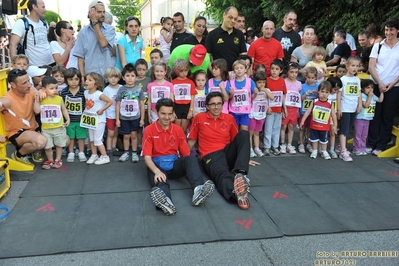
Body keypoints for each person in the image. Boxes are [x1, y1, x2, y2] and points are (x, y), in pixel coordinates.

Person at [143, 98, 215, 216]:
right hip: (157, 164)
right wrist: (156, 171)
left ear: (173, 114)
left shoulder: (178, 130)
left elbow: (185, 154)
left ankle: (198, 191)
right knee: (160, 182)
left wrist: (190, 168)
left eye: (169, 114)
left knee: (191, 158)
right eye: (163, 113)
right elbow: (147, 157)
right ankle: (166, 202)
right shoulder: (149, 130)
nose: (167, 117)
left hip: (174, 163)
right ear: (157, 113)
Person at [188, 91, 251, 210]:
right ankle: (236, 194)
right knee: (222, 173)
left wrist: (245, 158)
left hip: (226, 153)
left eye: (219, 104)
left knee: (244, 133)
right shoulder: (199, 118)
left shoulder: (229, 118)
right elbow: (191, 141)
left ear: (223, 105)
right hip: (210, 155)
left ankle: (241, 173)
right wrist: (184, 161)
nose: (216, 107)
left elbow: (237, 141)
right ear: (207, 106)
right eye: (213, 104)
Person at [0, 69, 47, 165]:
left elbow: (36, 91)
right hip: (17, 132)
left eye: (29, 81)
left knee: (64, 140)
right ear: (13, 85)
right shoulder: (7, 100)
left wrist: (41, 92)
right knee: (41, 142)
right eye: (24, 83)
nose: (29, 85)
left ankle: (30, 149)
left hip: (33, 128)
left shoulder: (30, 90)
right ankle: (19, 155)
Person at [367, 18, 399, 155]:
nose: (388, 32)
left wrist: (393, 83)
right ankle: (371, 142)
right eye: (386, 29)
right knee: (374, 115)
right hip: (376, 84)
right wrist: (379, 82)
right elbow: (371, 66)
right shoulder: (378, 46)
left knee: (387, 116)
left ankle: (382, 144)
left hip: (394, 86)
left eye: (391, 29)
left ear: (397, 30)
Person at [74, 1, 116, 77]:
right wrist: (82, 77)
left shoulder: (110, 29)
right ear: (91, 13)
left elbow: (103, 43)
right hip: (91, 77)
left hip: (107, 75)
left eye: (104, 12)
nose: (102, 15)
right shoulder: (83, 33)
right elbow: (80, 57)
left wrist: (94, 22)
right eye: (99, 12)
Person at [9, 0, 54, 66]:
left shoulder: (44, 22)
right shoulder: (21, 23)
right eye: (43, 7)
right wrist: (15, 65)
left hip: (51, 62)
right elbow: (13, 45)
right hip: (34, 67)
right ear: (34, 7)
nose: (45, 10)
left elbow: (48, 41)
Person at [300, 81, 337, 159]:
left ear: (329, 93)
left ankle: (324, 151)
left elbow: (333, 115)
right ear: (318, 92)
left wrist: (335, 125)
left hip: (324, 126)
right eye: (322, 91)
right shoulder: (314, 102)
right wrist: (303, 120)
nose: (324, 94)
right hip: (315, 125)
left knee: (324, 140)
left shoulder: (330, 103)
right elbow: (307, 111)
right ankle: (315, 150)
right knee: (314, 139)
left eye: (326, 92)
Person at [115, 64, 145, 163]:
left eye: (132, 76)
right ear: (123, 77)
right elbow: (118, 104)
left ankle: (134, 152)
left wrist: (141, 119)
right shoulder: (121, 89)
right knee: (126, 136)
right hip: (124, 117)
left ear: (136, 77)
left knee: (134, 135)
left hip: (135, 117)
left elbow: (141, 105)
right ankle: (126, 152)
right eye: (127, 76)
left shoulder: (138, 90)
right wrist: (117, 119)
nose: (130, 78)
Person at [39, 76, 70, 169]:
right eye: (51, 88)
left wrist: (67, 119)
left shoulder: (59, 99)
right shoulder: (41, 99)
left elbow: (64, 109)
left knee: (59, 145)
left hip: (58, 127)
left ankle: (58, 159)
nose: (55, 90)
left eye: (56, 88)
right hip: (46, 128)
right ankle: (50, 160)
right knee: (47, 146)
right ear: (44, 89)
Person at [83, 72, 113, 165]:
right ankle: (94, 154)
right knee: (92, 139)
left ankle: (105, 156)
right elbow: (87, 104)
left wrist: (102, 109)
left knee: (97, 140)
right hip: (89, 119)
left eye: (90, 80)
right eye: (86, 79)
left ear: (96, 84)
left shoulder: (99, 94)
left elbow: (110, 101)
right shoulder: (85, 92)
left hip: (99, 120)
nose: (86, 81)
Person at [205, 6, 247, 71]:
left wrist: (238, 72)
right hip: (218, 76)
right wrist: (214, 72)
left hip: (235, 76)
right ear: (224, 15)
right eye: (230, 17)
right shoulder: (212, 35)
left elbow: (243, 56)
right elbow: (208, 57)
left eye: (235, 19)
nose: (232, 21)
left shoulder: (240, 35)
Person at [337, 56, 362, 161]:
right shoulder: (343, 79)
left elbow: (359, 93)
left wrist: (360, 104)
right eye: (352, 65)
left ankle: (340, 146)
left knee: (349, 128)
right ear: (347, 66)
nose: (355, 68)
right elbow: (339, 95)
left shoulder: (357, 79)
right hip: (345, 108)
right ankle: (343, 150)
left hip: (353, 108)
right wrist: (339, 108)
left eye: (357, 66)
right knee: (344, 130)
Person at [60, 68, 87, 163]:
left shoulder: (84, 92)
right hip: (69, 119)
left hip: (81, 119)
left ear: (80, 80)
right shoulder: (64, 92)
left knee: (81, 137)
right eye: (71, 79)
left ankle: (81, 152)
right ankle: (71, 152)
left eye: (76, 79)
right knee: (70, 137)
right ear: (66, 80)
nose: (74, 82)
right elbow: (62, 106)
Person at [353, 79, 384, 155]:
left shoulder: (373, 96)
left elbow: (380, 100)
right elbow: (366, 105)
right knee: (358, 134)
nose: (370, 90)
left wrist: (382, 92)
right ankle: (356, 148)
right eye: (368, 88)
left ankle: (362, 148)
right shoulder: (363, 96)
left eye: (372, 87)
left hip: (368, 119)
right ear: (363, 89)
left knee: (364, 135)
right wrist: (370, 97)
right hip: (360, 118)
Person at [263, 59, 287, 156]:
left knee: (276, 128)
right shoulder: (267, 80)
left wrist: (284, 108)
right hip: (270, 109)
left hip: (278, 109)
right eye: (272, 68)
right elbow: (264, 95)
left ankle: (275, 146)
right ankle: (267, 147)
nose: (274, 71)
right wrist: (267, 107)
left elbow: (283, 95)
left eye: (276, 69)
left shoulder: (282, 81)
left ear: (280, 71)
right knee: (268, 128)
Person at [249, 71, 274, 157]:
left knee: (257, 133)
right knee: (250, 133)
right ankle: (250, 149)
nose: (262, 84)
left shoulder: (267, 90)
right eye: (259, 82)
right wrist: (256, 92)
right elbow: (252, 98)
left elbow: (272, 97)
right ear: (255, 82)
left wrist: (264, 90)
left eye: (263, 82)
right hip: (253, 115)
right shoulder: (253, 90)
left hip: (262, 115)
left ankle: (256, 148)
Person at [227, 59, 256, 131]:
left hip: (245, 111)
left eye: (241, 68)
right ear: (233, 70)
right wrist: (231, 93)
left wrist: (255, 93)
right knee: (234, 130)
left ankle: (242, 142)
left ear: (245, 69)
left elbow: (253, 97)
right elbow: (228, 98)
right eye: (236, 68)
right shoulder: (230, 82)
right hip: (233, 111)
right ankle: (236, 142)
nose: (239, 70)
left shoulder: (250, 81)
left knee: (244, 131)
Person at [281, 62, 301, 154]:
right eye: (291, 72)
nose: (294, 74)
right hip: (286, 108)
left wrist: (297, 110)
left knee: (291, 127)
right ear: (287, 72)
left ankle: (289, 144)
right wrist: (283, 108)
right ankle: (282, 143)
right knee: (283, 126)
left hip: (294, 108)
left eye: (296, 72)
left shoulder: (299, 84)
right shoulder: (284, 82)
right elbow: (283, 95)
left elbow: (298, 98)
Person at [171, 59, 197, 133]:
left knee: (183, 129)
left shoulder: (190, 82)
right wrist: (172, 111)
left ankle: (182, 143)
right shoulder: (173, 82)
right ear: (176, 71)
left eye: (186, 70)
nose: (184, 73)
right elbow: (172, 97)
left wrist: (190, 110)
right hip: (177, 106)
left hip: (187, 107)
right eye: (181, 71)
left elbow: (192, 97)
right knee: (177, 129)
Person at [298, 67, 318, 154]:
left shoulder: (317, 87)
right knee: (302, 128)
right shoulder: (302, 86)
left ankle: (309, 143)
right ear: (305, 77)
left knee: (310, 128)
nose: (310, 80)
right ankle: (301, 143)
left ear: (316, 78)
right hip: (303, 111)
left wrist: (317, 94)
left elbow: (320, 99)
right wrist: (306, 94)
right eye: (309, 77)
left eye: (312, 78)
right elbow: (300, 99)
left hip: (313, 113)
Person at [103, 67, 122, 156]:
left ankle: (114, 148)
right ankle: (109, 148)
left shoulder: (121, 88)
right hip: (110, 115)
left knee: (116, 132)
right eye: (111, 77)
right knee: (110, 133)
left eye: (115, 77)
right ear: (107, 78)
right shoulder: (106, 89)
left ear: (119, 78)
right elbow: (104, 103)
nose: (113, 79)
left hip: (120, 115)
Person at [326, 76, 342, 159]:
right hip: (326, 115)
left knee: (333, 131)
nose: (336, 91)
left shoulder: (337, 94)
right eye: (335, 89)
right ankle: (322, 148)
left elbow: (338, 102)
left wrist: (339, 110)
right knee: (324, 132)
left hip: (333, 114)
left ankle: (332, 148)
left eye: (338, 89)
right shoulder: (326, 93)